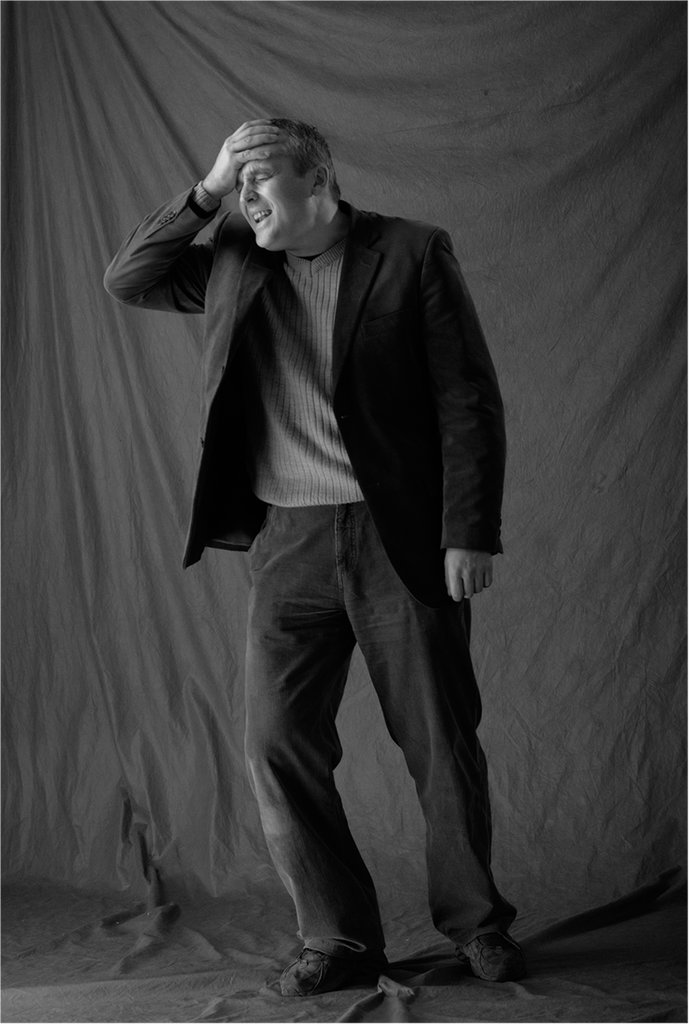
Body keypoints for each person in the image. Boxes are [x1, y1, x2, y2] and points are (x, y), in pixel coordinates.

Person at [104, 117, 525, 996]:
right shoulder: (232, 256)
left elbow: (466, 398)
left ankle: (476, 925)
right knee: (276, 743)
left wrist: (468, 531)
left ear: (318, 181)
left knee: (439, 740)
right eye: (240, 184)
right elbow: (129, 278)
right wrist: (207, 189)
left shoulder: (409, 253)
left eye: (261, 179)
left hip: (398, 534)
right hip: (286, 540)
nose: (248, 198)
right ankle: (338, 939)